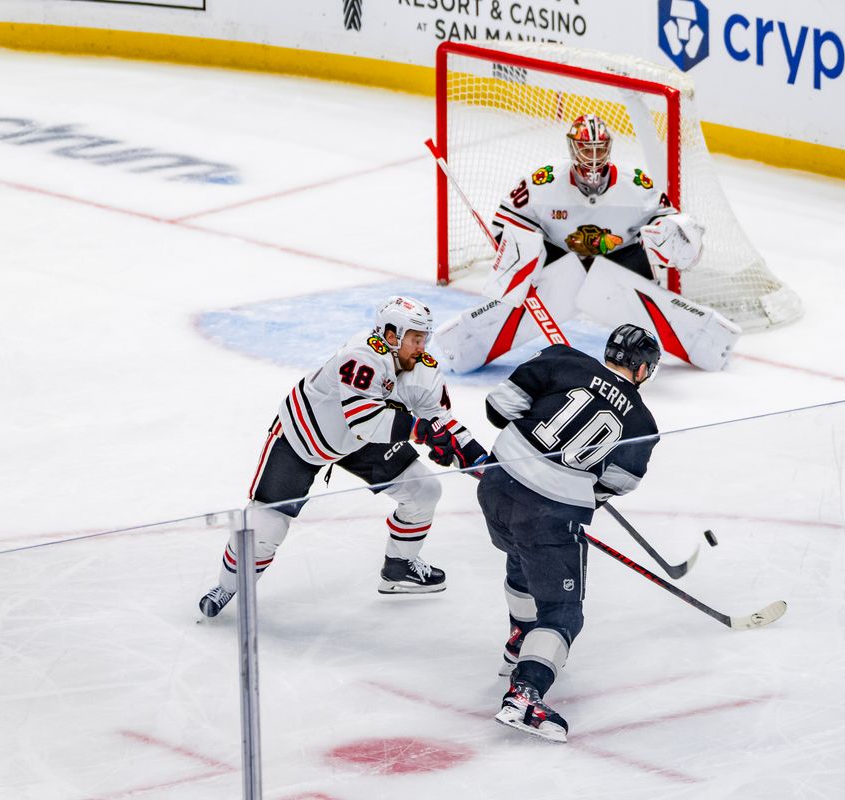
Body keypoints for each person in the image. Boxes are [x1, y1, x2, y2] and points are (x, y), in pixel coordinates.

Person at [199, 296, 486, 617]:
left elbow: (441, 423)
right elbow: (363, 420)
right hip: (304, 436)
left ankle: (399, 566)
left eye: (424, 338)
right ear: (391, 335)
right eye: (415, 338)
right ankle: (226, 586)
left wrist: (479, 461)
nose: (422, 347)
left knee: (423, 490)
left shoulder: (423, 372)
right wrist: (419, 431)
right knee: (267, 527)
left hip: (360, 441)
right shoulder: (362, 356)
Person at [435, 113, 740, 374]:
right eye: (585, 148)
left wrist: (673, 233)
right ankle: (464, 346)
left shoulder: (636, 184)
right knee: (538, 281)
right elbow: (507, 221)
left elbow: (669, 224)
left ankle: (707, 341)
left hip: (620, 260)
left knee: (637, 292)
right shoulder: (543, 181)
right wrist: (520, 257)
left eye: (599, 148)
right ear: (572, 148)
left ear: (609, 148)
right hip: (559, 260)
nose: (593, 157)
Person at [477, 323, 661, 742]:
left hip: (496, 486)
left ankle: (521, 638)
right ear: (644, 369)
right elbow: (616, 484)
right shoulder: (643, 421)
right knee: (562, 613)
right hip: (550, 512)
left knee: (522, 554)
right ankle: (524, 696)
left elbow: (498, 405)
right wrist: (572, 492)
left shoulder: (563, 358)